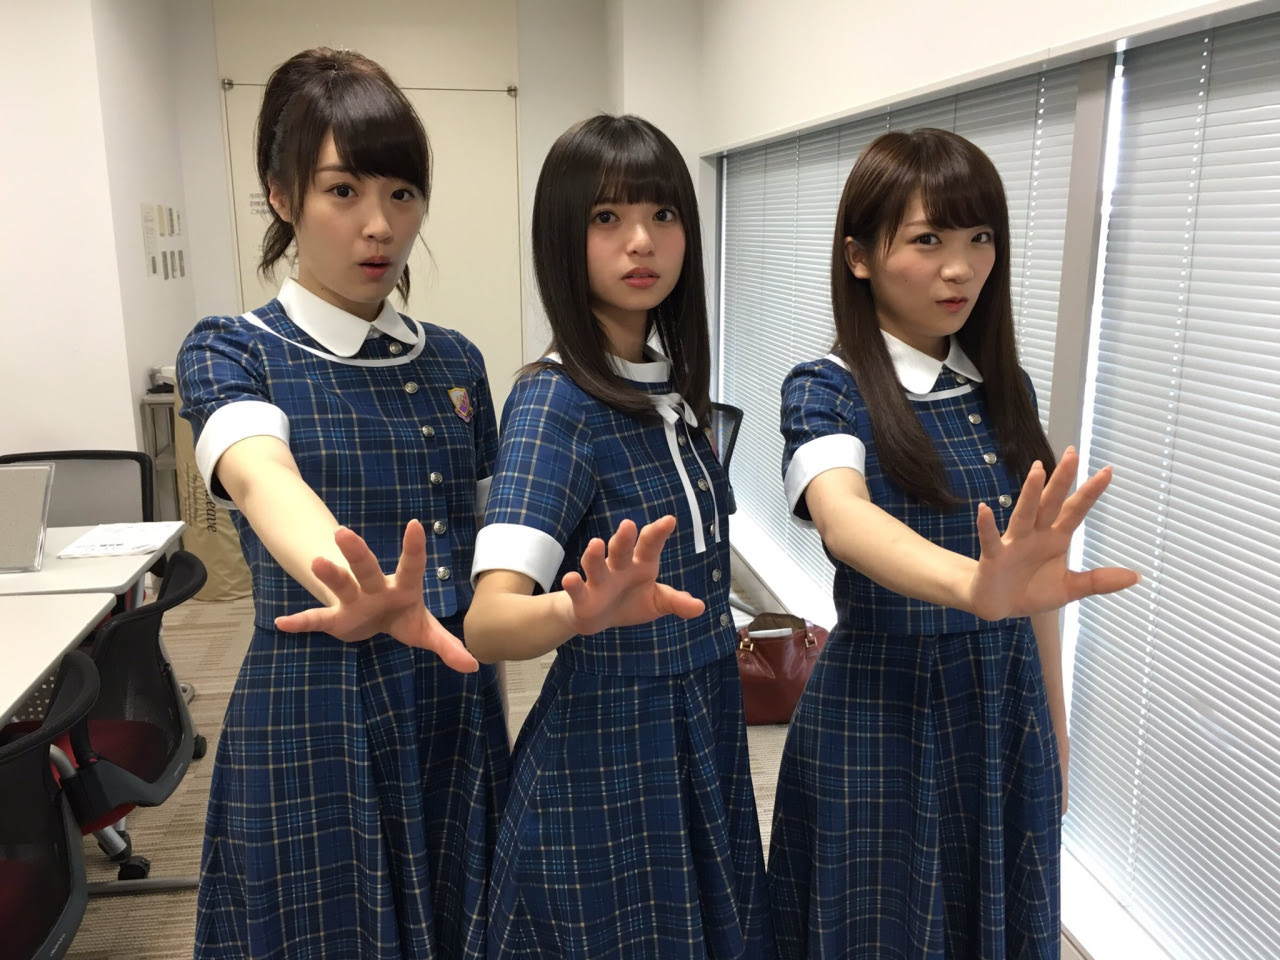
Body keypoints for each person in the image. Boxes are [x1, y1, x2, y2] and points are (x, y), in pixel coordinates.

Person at [766, 128, 1139, 960]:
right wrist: (974, 586)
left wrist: (1054, 731)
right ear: (859, 256)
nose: (961, 268)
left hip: (1002, 711)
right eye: (929, 239)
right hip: (881, 714)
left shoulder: (1003, 388)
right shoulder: (825, 388)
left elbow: (1032, 582)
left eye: (979, 238)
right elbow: (844, 517)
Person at [176, 47, 508, 960]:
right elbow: (260, 473)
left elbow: (487, 535)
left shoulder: (456, 360)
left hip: (454, 693)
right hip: (316, 704)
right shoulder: (234, 350)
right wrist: (350, 581)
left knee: (463, 920)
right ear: (282, 195)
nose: (380, 225)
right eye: (342, 191)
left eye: (402, 193)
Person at [463, 114, 775, 958]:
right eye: (607, 217)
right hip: (606, 755)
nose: (642, 241)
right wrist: (577, 614)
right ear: (564, 237)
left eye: (662, 214)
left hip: (702, 723)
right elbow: (488, 623)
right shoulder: (555, 403)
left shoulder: (669, 389)